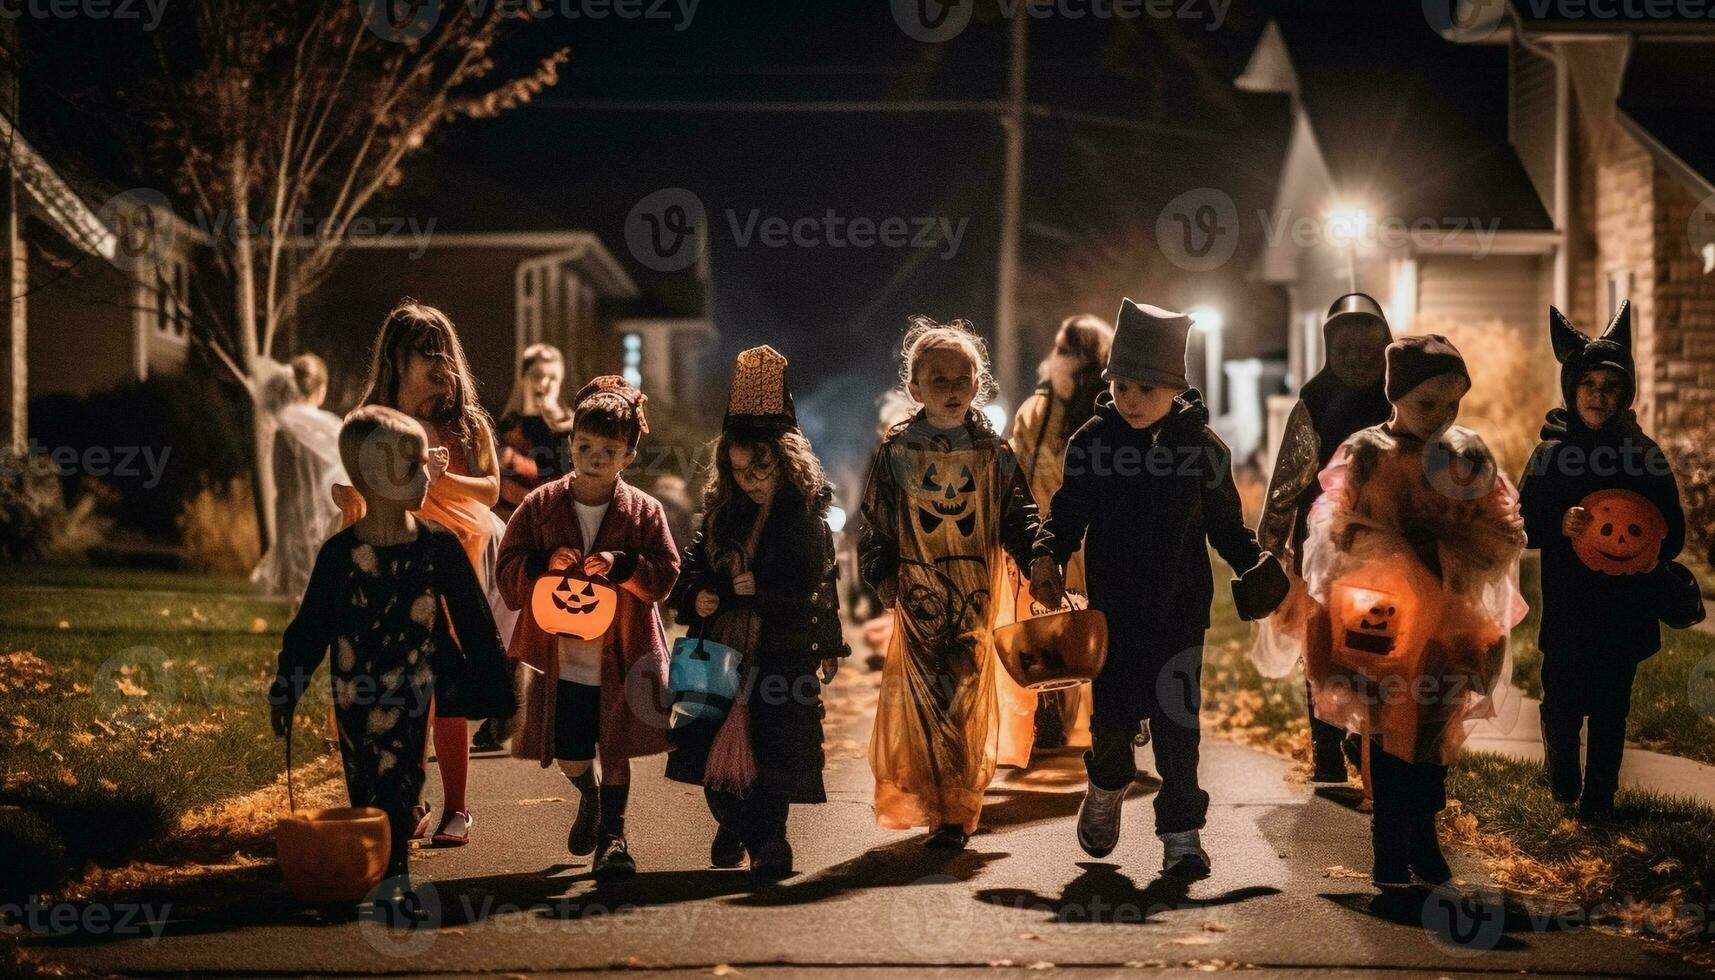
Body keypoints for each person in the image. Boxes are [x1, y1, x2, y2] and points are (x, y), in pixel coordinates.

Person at [1032, 299, 1287, 879]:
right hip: (1112, 619)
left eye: (1146, 388)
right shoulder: (1093, 444)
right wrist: (1048, 553)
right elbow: (1068, 511)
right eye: (1122, 386)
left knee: (1179, 732)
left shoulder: (1202, 450)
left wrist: (1255, 564)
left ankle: (1181, 834)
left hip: (1179, 615)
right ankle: (1106, 783)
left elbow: (1225, 525)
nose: (1132, 400)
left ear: (1175, 388)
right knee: (1114, 725)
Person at [268, 406, 513, 923]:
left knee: (403, 779)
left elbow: (472, 621)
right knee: (363, 779)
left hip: (415, 686)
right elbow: (310, 627)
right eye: (416, 467)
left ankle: (394, 873)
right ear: (376, 477)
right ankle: (370, 866)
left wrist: (495, 688)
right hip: (355, 688)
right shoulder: (339, 555)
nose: (430, 476)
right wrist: (287, 686)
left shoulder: (438, 547)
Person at [1299, 335, 1526, 891]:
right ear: (1394, 397)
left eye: (1453, 405)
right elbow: (1336, 522)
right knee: (1387, 727)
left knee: (1432, 731)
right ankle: (1389, 844)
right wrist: (1380, 550)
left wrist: (1461, 542)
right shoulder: (1368, 453)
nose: (1442, 417)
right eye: (1428, 404)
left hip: (1449, 624)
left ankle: (1422, 834)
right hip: (1384, 620)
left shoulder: (1464, 455)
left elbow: (1501, 528)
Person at [860, 316, 1058, 849]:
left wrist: (1039, 560)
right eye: (938, 380)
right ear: (915, 387)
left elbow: (1018, 516)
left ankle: (957, 810)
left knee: (965, 699)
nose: (951, 391)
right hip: (920, 600)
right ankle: (935, 801)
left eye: (961, 379)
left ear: (977, 383)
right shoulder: (897, 452)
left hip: (974, 599)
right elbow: (876, 522)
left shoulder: (993, 454)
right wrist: (880, 574)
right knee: (927, 701)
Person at [667, 345, 847, 880]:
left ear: (784, 458)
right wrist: (697, 592)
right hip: (719, 651)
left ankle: (770, 840)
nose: (751, 478)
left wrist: (764, 594)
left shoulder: (803, 517)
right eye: (739, 469)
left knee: (772, 752)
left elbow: (816, 583)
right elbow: (693, 565)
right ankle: (734, 821)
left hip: (780, 654)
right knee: (706, 746)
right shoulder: (722, 512)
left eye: (761, 467)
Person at [495, 376, 680, 879]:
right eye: (585, 446)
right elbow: (508, 561)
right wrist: (538, 563)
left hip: (620, 651)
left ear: (628, 456)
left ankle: (614, 838)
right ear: (570, 445)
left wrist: (624, 568)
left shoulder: (644, 512)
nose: (595, 457)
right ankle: (590, 796)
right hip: (563, 655)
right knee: (571, 752)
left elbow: (665, 573)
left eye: (609, 450)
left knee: (615, 746)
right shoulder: (541, 505)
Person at [334, 300, 502, 847]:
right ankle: (408, 799)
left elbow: (492, 490)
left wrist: (438, 479)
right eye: (422, 354)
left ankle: (459, 807)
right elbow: (364, 484)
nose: (437, 364)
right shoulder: (374, 422)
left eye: (442, 352)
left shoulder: (469, 425)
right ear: (395, 359)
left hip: (455, 553)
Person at [1519, 302, 1686, 821]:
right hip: (1569, 607)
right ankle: (1562, 764)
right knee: (1564, 698)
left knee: (1613, 706)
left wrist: (1652, 541)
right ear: (1571, 389)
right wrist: (1557, 526)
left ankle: (1601, 800)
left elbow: (1673, 532)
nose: (1598, 394)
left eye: (1610, 386)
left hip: (1626, 607)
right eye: (1587, 384)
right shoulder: (1550, 455)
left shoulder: (1645, 455)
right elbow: (1522, 522)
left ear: (1626, 393)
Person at [1256, 294, 1394, 784]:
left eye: (1367, 347)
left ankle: (1369, 739)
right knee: (1325, 648)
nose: (1357, 357)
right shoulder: (1315, 402)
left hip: (1385, 549)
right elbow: (1289, 478)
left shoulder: (1397, 400)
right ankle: (1327, 744)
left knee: (1378, 645)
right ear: (1329, 349)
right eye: (1346, 347)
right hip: (1322, 548)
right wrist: (1268, 547)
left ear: (1385, 349)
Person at [1007, 314, 1112, 754]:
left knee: (1101, 628)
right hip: (1049, 536)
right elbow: (1016, 468)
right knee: (1046, 624)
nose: (1058, 359)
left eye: (1069, 350)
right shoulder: (1036, 412)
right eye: (1059, 348)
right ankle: (1049, 712)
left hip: (1098, 542)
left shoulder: (1107, 413)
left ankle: (1114, 715)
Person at [251, 353, 348, 609]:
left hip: (290, 508)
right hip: (323, 506)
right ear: (321, 389)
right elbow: (342, 468)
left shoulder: (282, 426)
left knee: (298, 567)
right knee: (322, 564)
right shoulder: (327, 426)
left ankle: (298, 614)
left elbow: (278, 472)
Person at [496, 343, 574, 522]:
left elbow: (567, 476)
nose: (544, 384)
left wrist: (556, 420)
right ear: (523, 378)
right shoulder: (505, 427)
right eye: (537, 376)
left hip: (557, 519)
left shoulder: (571, 428)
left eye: (552, 378)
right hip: (512, 518)